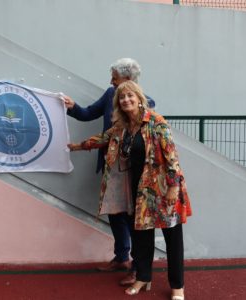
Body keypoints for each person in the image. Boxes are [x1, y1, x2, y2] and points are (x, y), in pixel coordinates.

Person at [69, 81, 191, 300]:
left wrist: (173, 186)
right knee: (142, 237)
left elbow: (171, 156)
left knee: (173, 239)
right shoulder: (122, 126)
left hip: (163, 189)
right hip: (139, 191)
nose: (126, 100)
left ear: (138, 97)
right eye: (121, 98)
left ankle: (177, 286)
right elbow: (103, 139)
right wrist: (79, 145)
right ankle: (143, 277)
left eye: (129, 96)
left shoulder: (156, 122)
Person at [62, 58, 155, 285]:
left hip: (131, 170)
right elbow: (87, 114)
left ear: (128, 80)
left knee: (132, 217)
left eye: (114, 77)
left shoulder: (146, 104)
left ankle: (137, 267)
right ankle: (121, 256)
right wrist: (72, 106)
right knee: (114, 213)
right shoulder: (108, 94)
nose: (111, 81)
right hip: (111, 164)